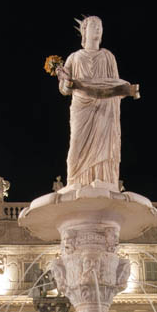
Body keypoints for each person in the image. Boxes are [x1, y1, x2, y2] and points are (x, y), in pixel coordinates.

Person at [55, 16, 139, 187]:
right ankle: (75, 183)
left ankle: (104, 181)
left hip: (105, 109)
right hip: (81, 108)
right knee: (76, 147)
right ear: (84, 31)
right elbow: (64, 90)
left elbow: (115, 86)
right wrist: (63, 79)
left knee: (105, 146)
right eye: (94, 26)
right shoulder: (74, 57)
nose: (98, 29)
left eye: (100, 26)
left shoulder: (108, 57)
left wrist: (125, 89)